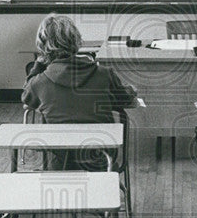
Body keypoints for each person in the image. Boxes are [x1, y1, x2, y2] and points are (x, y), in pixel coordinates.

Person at [22, 13, 136, 168]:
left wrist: (38, 65)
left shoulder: (39, 82)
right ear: (76, 40)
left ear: (43, 45)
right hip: (101, 159)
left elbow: (26, 98)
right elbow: (125, 99)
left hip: (59, 162)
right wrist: (131, 90)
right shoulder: (103, 73)